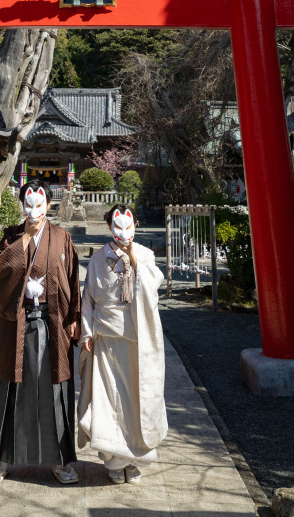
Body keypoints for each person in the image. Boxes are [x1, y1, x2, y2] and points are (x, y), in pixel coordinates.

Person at [0, 178, 81, 485]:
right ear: (22, 205)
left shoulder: (61, 237)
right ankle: (3, 460)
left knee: (55, 389)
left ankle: (61, 461)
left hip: (54, 322)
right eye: (28, 205)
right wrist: (24, 242)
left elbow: (73, 278)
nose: (34, 211)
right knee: (15, 388)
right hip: (20, 322)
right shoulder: (12, 235)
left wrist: (75, 316)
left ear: (48, 205)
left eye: (39, 205)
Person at [77, 205, 168, 484]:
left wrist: (134, 260)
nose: (123, 233)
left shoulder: (145, 255)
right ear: (109, 227)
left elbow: (154, 286)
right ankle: (114, 462)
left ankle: (135, 459)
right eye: (117, 227)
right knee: (109, 401)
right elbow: (88, 299)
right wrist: (87, 333)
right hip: (107, 341)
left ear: (136, 225)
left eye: (128, 227)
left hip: (137, 341)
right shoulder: (97, 259)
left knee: (136, 401)